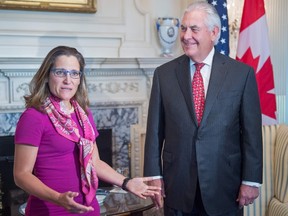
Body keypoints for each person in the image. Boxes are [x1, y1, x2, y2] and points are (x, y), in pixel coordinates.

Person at [144, 1, 263, 216]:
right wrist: (154, 176)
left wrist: (251, 180)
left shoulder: (241, 75)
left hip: (225, 186)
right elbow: (154, 132)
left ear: (214, 33)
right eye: (183, 28)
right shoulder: (164, 74)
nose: (186, 35)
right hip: (177, 185)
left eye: (194, 29)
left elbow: (251, 134)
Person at [13, 45, 161, 216]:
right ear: (47, 75)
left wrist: (127, 182)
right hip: (51, 209)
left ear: (79, 78)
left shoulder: (83, 114)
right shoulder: (34, 116)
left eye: (74, 73)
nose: (68, 80)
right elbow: (21, 175)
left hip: (88, 208)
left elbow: (95, 163)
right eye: (60, 72)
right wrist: (58, 198)